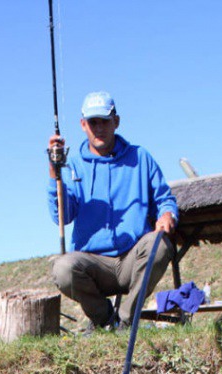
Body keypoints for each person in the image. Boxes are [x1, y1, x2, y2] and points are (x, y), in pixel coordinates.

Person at [47, 90, 178, 331]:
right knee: (63, 268)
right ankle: (104, 319)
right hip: (93, 263)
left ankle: (126, 321)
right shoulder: (73, 166)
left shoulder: (141, 157)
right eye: (93, 122)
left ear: (116, 122)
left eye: (104, 121)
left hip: (132, 257)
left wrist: (167, 214)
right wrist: (54, 172)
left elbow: (164, 199)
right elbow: (61, 216)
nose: (99, 128)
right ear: (83, 124)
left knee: (159, 245)